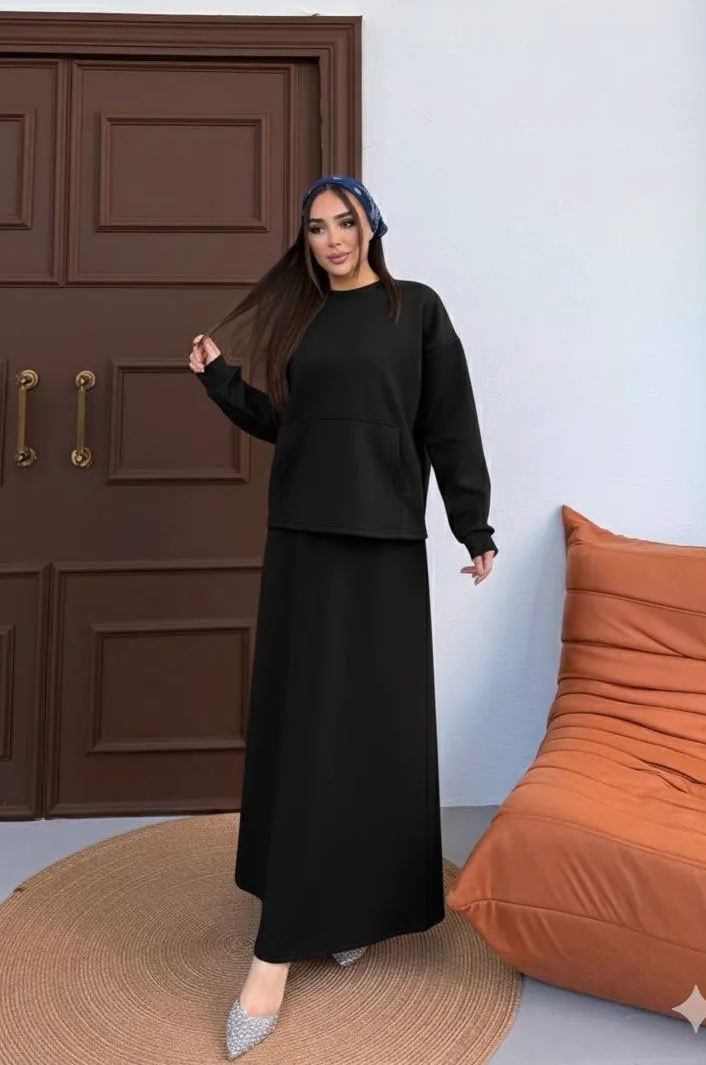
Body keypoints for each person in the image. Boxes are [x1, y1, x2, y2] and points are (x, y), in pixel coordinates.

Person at [189, 174, 497, 1059]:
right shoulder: (304, 319)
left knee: (371, 725)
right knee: (308, 728)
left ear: (371, 227)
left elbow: (449, 422)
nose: (331, 239)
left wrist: (472, 524)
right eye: (317, 227)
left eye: (345, 222)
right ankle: (285, 938)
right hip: (302, 542)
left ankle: (353, 904)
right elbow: (291, 425)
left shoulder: (416, 310)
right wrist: (221, 383)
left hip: (382, 544)